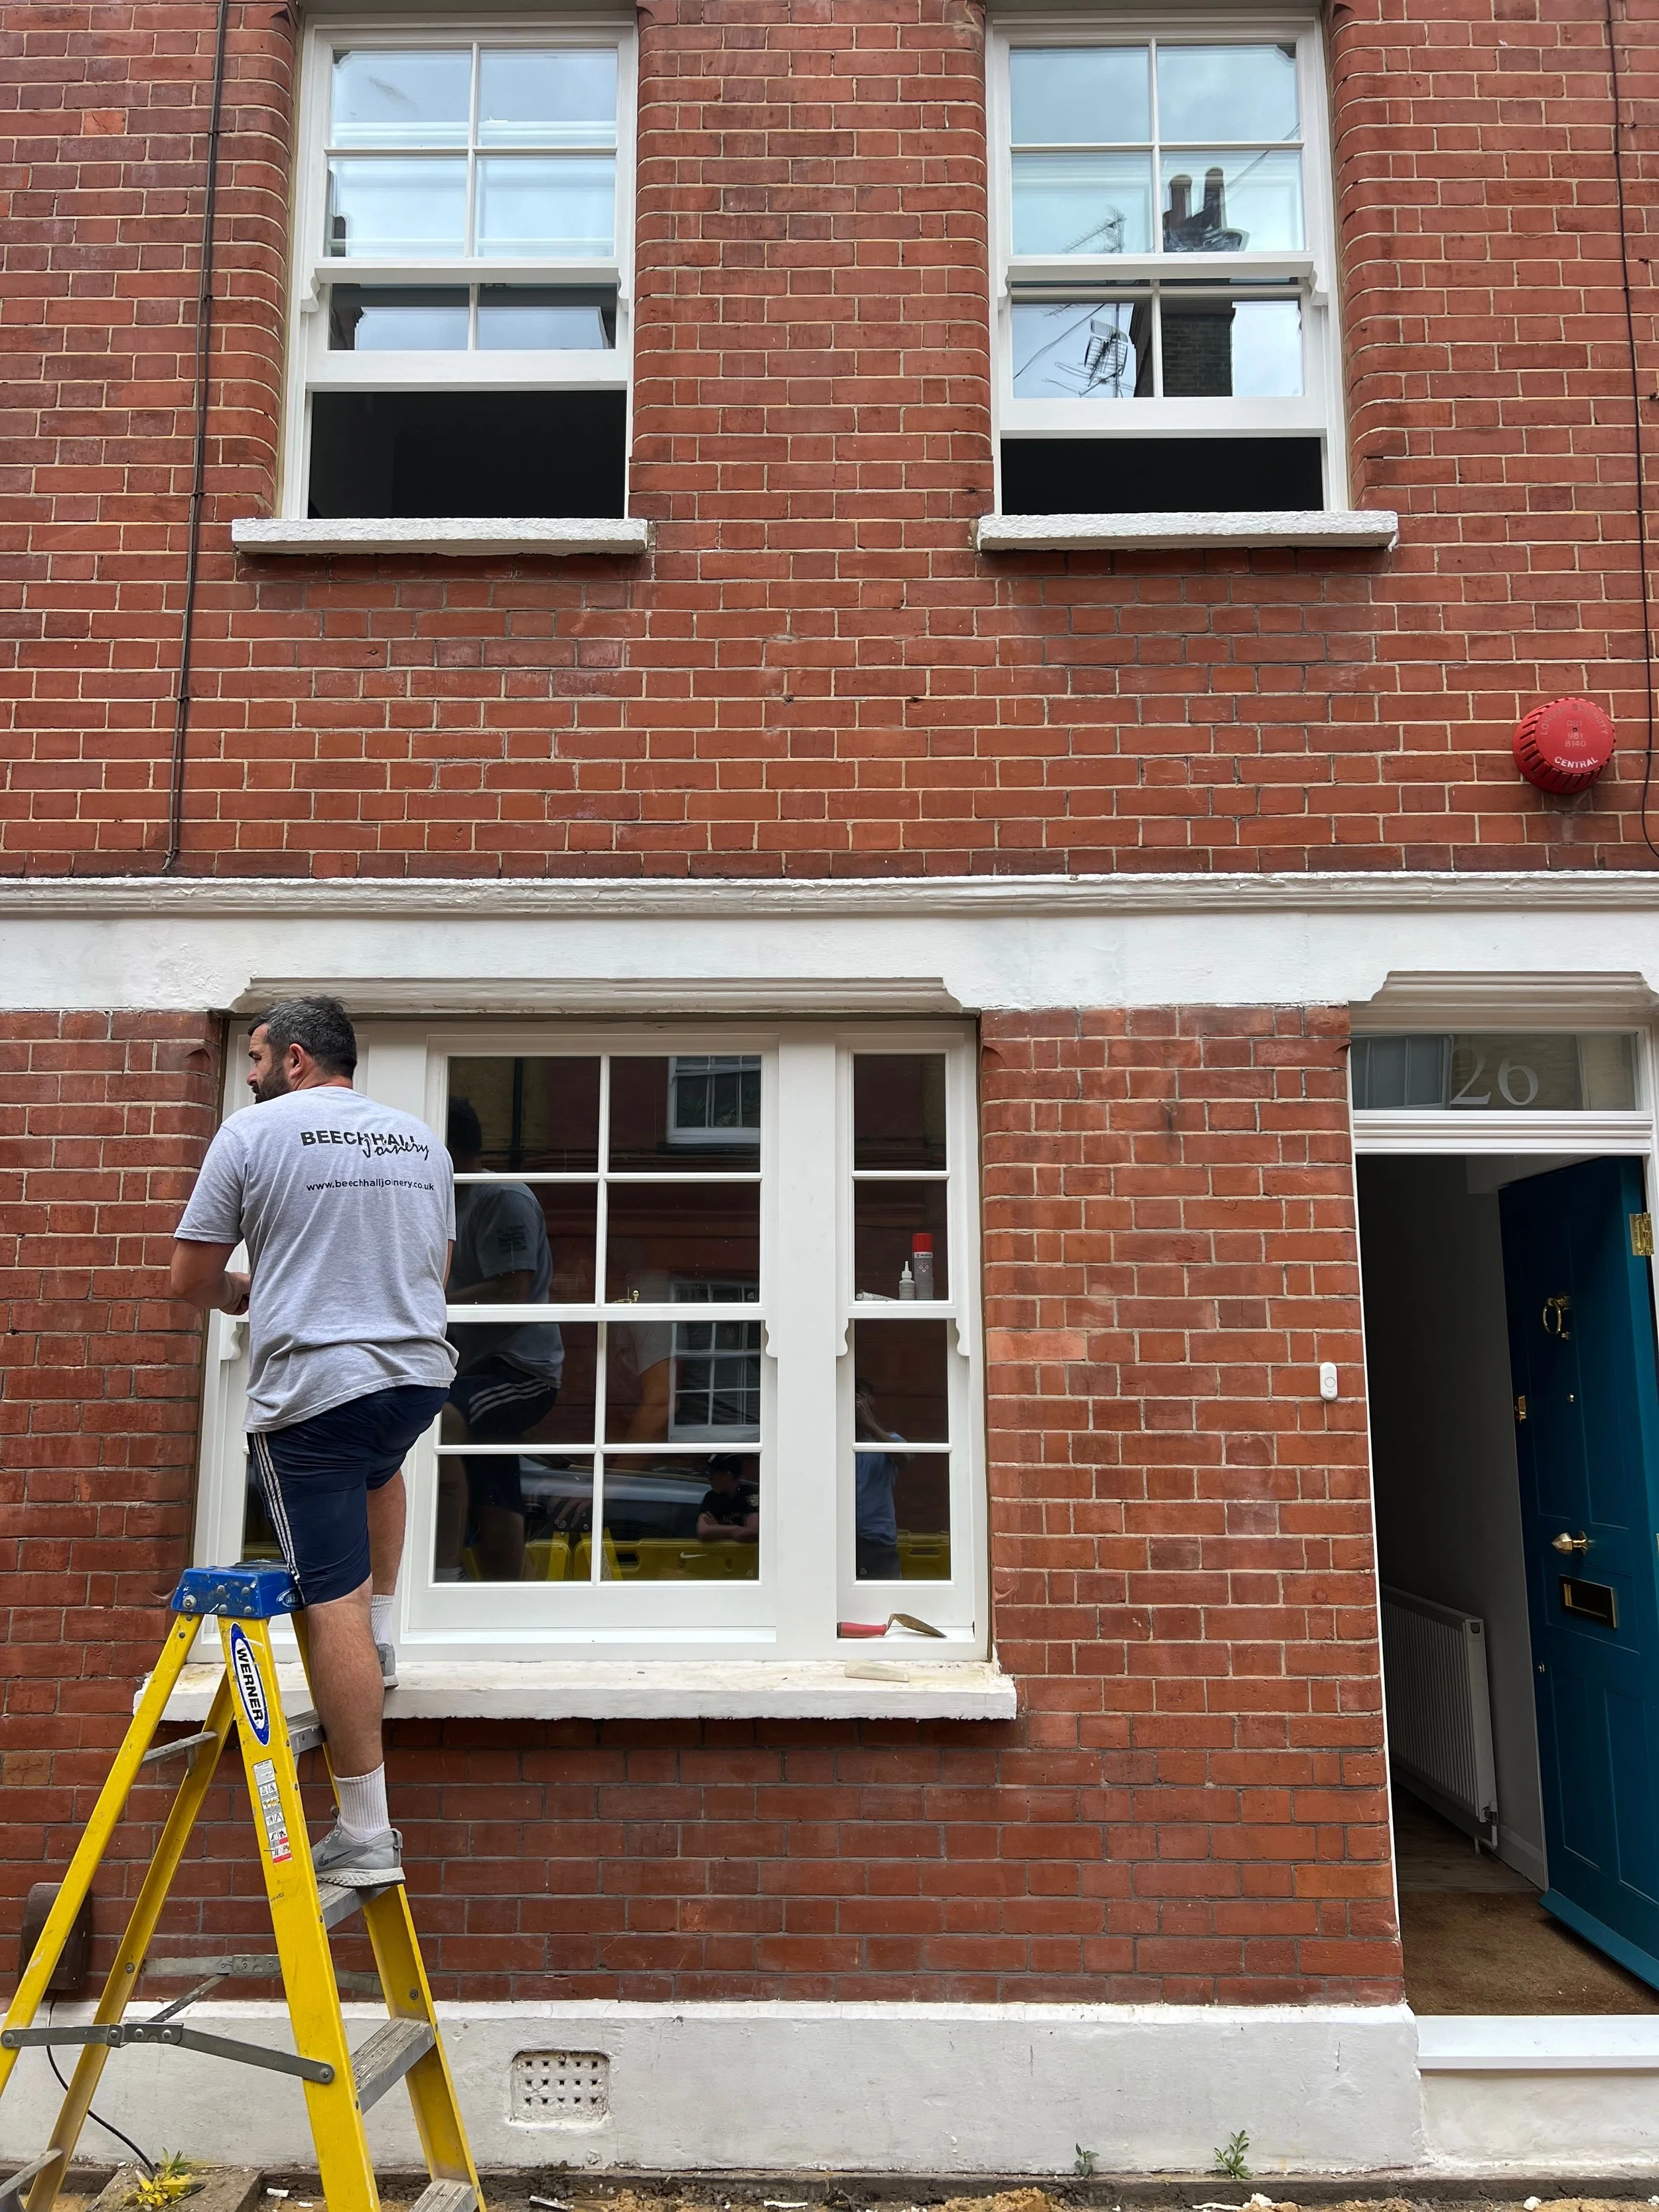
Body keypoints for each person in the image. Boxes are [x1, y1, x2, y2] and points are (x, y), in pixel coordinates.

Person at [170, 996, 454, 1889]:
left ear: (295, 1058)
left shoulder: (251, 1137)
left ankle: (365, 1831)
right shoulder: (419, 1141)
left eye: (254, 1058)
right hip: (415, 1375)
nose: (247, 1075)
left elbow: (187, 1278)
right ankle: (383, 1640)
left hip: (317, 1391)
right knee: (383, 1470)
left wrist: (237, 1298)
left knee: (322, 1594)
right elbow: (430, 1272)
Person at [438, 1098, 564, 1582]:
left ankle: (441, 1577)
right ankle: (517, 1607)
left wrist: (435, 1301)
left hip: (519, 1370)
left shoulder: (501, 1197)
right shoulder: (450, 1199)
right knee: (495, 1499)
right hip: (473, 1370)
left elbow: (514, 1288)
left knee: (442, 1420)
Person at [854, 1376, 907, 1582]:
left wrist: (869, 1424)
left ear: (871, 1401)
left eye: (860, 1395)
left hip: (877, 1538)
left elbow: (903, 1459)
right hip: (838, 1536)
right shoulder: (833, 1442)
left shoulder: (892, 1440)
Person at [695, 1453, 758, 1543]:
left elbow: (754, 1531)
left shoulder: (749, 1493)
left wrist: (718, 1529)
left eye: (712, 1474)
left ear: (728, 1476)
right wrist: (736, 1530)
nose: (709, 1479)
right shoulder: (711, 1497)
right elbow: (704, 1532)